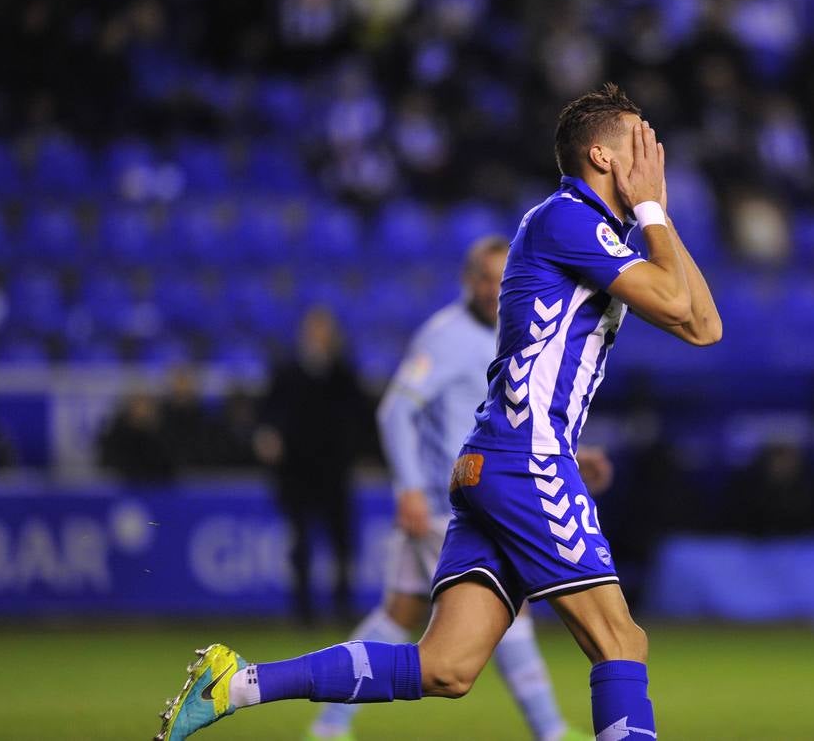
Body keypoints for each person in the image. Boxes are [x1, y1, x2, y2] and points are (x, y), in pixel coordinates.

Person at [156, 83, 722, 741]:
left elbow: (704, 325)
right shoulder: (566, 217)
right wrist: (651, 205)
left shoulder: (603, 233)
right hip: (526, 460)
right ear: (601, 155)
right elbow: (681, 309)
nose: (654, 154)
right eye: (640, 144)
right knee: (621, 643)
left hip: (492, 465)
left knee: (446, 667)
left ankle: (238, 683)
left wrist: (657, 212)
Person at [307, 234, 600, 741]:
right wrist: (410, 489)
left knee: (399, 613)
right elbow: (396, 409)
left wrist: (570, 455)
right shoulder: (444, 335)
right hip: (456, 502)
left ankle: (329, 725)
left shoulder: (517, 329)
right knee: (510, 608)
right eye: (484, 278)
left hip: (479, 493)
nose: (493, 289)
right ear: (468, 281)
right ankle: (551, 730)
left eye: (501, 278)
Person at [256, 307, 374, 625]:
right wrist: (268, 436)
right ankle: (303, 610)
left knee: (342, 543)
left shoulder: (342, 372)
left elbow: (359, 417)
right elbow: (268, 414)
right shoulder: (287, 371)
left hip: (334, 472)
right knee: (301, 543)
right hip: (296, 473)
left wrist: (357, 452)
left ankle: (342, 606)